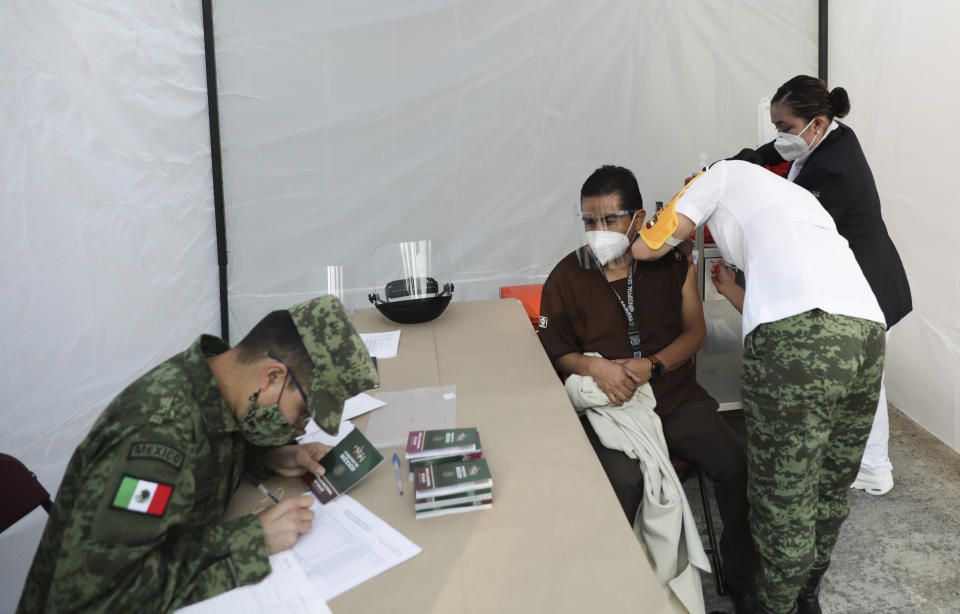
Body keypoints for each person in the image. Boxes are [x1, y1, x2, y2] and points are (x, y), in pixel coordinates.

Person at [633, 156, 886, 614]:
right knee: (829, 485)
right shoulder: (797, 199)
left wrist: (645, 227)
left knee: (781, 496)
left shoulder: (718, 175)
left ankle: (772, 607)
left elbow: (649, 246)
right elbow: (804, 292)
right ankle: (806, 596)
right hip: (866, 332)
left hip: (798, 341)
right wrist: (730, 288)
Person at [16, 295, 378, 613]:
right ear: (272, 376)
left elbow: (216, 443)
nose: (301, 427)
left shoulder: (218, 379)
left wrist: (268, 456)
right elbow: (98, 599)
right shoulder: (155, 441)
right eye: (303, 413)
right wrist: (252, 540)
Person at [537, 165, 759, 613]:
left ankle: (741, 580)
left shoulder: (671, 262)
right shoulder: (567, 275)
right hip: (612, 405)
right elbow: (554, 348)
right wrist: (593, 368)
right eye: (589, 220)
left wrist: (653, 365)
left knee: (734, 465)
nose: (598, 231)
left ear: (639, 219)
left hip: (672, 392)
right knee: (622, 481)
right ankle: (621, 589)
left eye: (610, 219)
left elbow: (695, 332)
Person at [756, 75, 912, 496]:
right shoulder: (832, 137)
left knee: (867, 383)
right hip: (859, 278)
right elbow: (772, 152)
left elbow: (795, 221)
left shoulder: (834, 168)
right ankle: (859, 458)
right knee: (861, 381)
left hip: (871, 283)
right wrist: (729, 166)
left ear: (818, 123)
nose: (779, 136)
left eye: (784, 127)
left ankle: (874, 469)